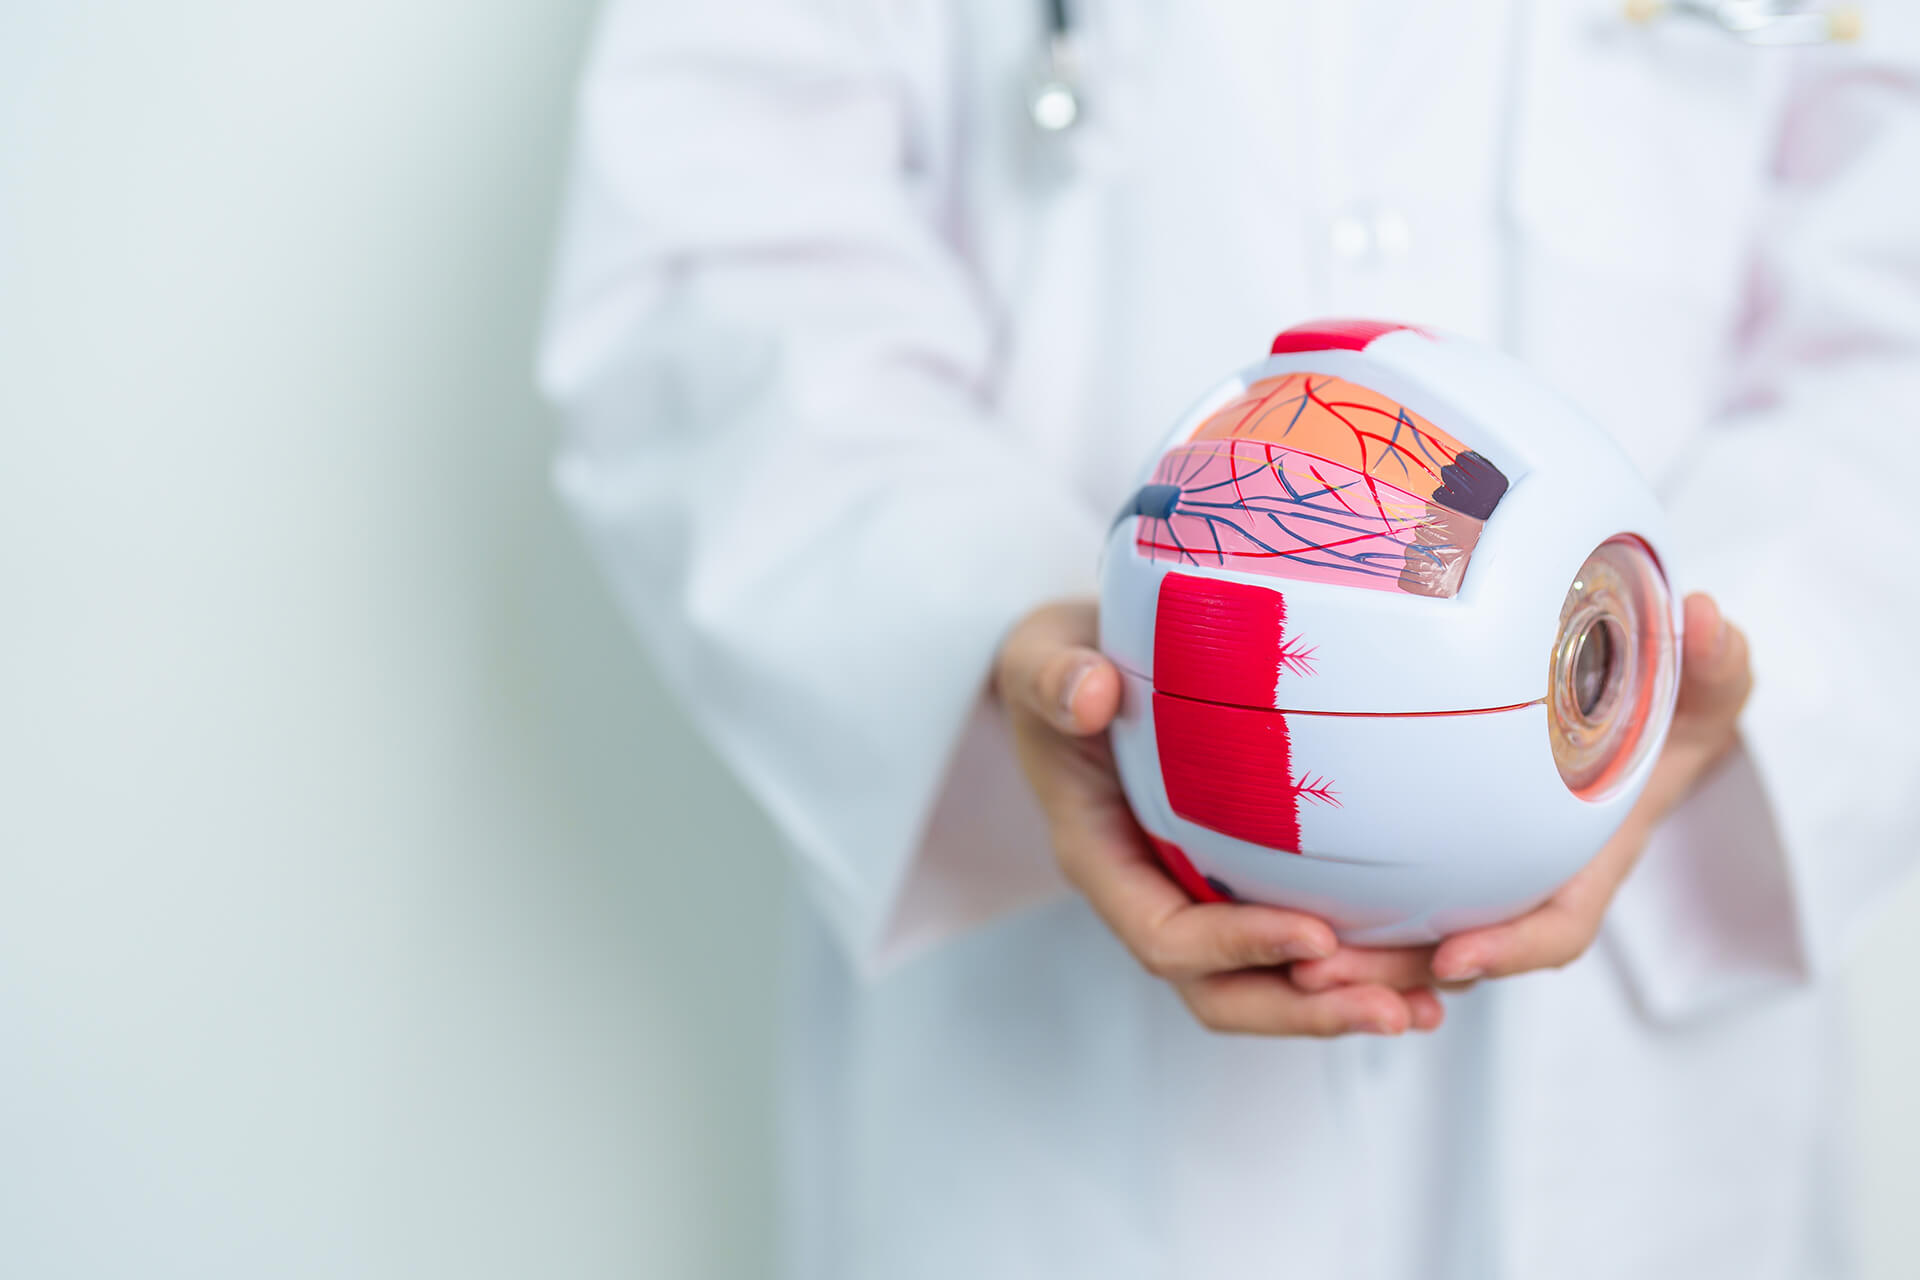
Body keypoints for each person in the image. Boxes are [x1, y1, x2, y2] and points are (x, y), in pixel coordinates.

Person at [539, 3, 1920, 1275]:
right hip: (1053, 1106)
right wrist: (1013, 629)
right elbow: (711, 273)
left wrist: (1713, 666)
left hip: (1650, 1116)